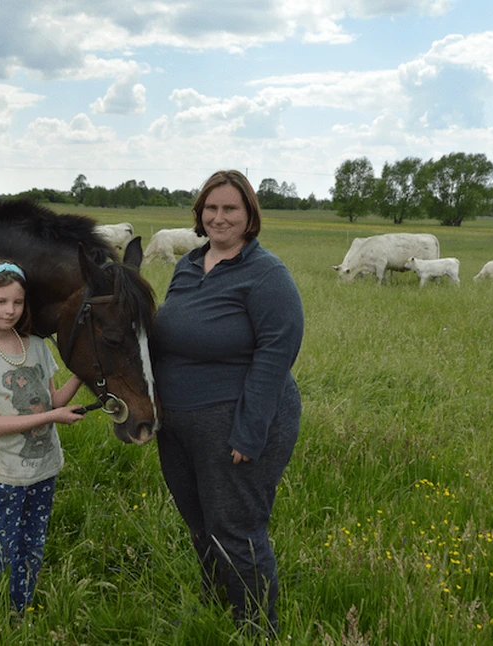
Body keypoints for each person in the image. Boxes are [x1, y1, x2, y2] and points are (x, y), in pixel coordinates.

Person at [151, 170, 305, 635]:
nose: (218, 218)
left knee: (236, 529)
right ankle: (217, 606)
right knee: (201, 525)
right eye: (210, 208)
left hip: (235, 420)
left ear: (249, 215)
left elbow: (278, 351)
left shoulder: (266, 274)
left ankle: (258, 628)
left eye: (230, 209)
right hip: (178, 424)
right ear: (199, 214)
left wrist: (250, 430)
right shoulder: (187, 266)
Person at [0, 261, 86, 614]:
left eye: (18, 302)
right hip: (6, 474)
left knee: (32, 546)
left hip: (45, 467)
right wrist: (54, 417)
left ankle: (20, 611)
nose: (10, 310)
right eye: (0, 301)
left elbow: (53, 400)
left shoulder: (37, 346)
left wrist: (82, 375)